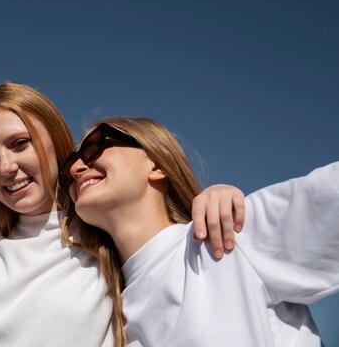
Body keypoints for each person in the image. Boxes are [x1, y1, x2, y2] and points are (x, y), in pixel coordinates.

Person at [0, 83, 246, 347]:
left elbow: (157, 234)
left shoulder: (97, 226)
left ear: (56, 143)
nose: (6, 167)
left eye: (20, 143)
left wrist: (213, 195)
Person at [60, 117, 339, 346]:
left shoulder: (228, 234)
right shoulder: (105, 319)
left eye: (94, 146)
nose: (75, 168)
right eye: (69, 166)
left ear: (156, 164)